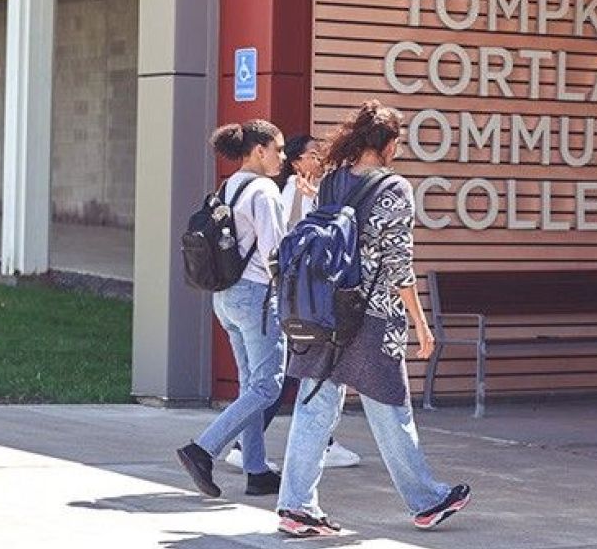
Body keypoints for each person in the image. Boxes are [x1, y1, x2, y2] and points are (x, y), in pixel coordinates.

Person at [275, 101, 471, 537]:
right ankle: (426, 500)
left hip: (322, 308)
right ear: (388, 144)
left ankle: (296, 506)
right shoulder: (395, 188)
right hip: (371, 315)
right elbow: (399, 264)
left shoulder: (331, 181)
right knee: (390, 405)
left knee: (315, 405)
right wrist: (421, 322)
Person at [225, 134, 362, 471]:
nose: (320, 161)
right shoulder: (276, 191)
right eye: (311, 155)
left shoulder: (236, 186)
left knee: (270, 377)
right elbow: (281, 245)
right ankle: (209, 447)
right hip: (287, 294)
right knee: (275, 379)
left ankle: (252, 459)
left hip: (246, 293)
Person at [176, 119, 288, 497]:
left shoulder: (230, 186)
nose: (282, 157)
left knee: (250, 384)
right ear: (259, 150)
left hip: (226, 297)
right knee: (268, 385)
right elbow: (276, 252)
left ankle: (256, 469)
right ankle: (203, 449)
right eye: (279, 149)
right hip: (256, 298)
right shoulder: (264, 191)